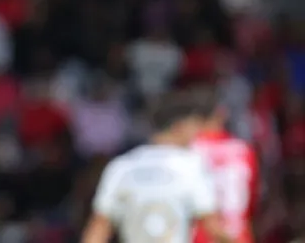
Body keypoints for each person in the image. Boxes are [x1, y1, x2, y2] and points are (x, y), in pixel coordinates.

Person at [82, 94, 233, 243]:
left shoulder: (121, 166)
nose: (196, 133)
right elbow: (212, 228)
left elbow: (99, 228)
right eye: (194, 126)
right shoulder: (191, 166)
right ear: (179, 127)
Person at [191, 94, 259, 243]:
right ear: (222, 113)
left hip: (201, 236)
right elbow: (251, 201)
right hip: (238, 234)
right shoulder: (243, 150)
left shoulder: (187, 151)